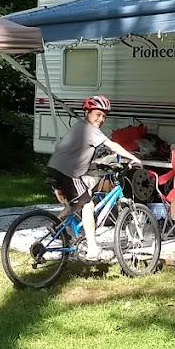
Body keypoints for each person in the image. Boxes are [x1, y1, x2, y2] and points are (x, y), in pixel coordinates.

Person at [46, 95, 143, 259]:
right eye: (97, 114)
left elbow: (78, 154)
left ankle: (56, 224)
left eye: (104, 116)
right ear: (88, 113)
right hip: (66, 172)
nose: (101, 119)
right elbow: (111, 145)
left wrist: (97, 165)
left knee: (84, 196)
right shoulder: (89, 129)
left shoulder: (80, 127)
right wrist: (133, 158)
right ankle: (92, 249)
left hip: (56, 169)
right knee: (88, 204)